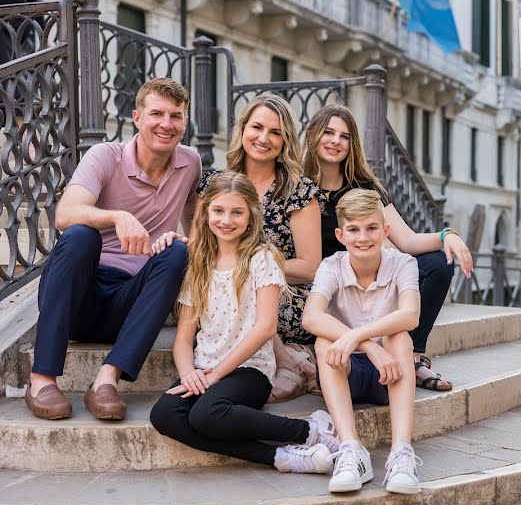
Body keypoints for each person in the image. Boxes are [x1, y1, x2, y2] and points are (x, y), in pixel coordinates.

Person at [26, 78, 199, 421]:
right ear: (137, 117)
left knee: (178, 254)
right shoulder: (106, 156)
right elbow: (64, 214)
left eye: (176, 116)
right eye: (157, 113)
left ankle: (107, 379)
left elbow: (196, 228)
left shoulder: (190, 163)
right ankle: (41, 378)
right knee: (81, 235)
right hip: (78, 298)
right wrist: (118, 217)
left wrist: (179, 240)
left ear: (184, 122)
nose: (167, 124)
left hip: (130, 305)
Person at [149, 172, 339, 473]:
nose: (227, 220)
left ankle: (308, 430)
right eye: (219, 211)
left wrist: (213, 376)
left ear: (251, 217)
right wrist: (188, 373)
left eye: (237, 212)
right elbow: (184, 336)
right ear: (206, 212)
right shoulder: (198, 262)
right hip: (203, 366)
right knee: (164, 415)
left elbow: (265, 327)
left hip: (250, 371)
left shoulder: (261, 258)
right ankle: (281, 457)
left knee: (206, 416)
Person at [301, 104, 473, 392]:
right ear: (313, 135)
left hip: (365, 279)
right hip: (321, 285)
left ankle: (413, 358)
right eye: (328, 132)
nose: (335, 141)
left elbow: (406, 241)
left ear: (352, 143)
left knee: (437, 263)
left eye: (344, 136)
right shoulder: (296, 185)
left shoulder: (365, 187)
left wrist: (447, 235)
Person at [184, 94, 324, 403]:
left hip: (285, 294)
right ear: (242, 129)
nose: (264, 138)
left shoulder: (298, 191)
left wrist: (249, 267)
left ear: (286, 140)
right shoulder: (214, 183)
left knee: (244, 294)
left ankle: (288, 364)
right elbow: (198, 248)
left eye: (275, 132)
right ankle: (293, 360)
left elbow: (310, 266)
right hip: (224, 290)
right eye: (257, 127)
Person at [302, 188, 422, 493]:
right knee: (323, 342)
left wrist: (356, 335)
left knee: (400, 338)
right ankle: (351, 449)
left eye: (371, 228)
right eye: (353, 230)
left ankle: (401, 454)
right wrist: (368, 346)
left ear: (386, 231)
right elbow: (311, 317)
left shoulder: (403, 263)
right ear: (341, 236)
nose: (363, 238)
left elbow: (411, 315)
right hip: (347, 370)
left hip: (389, 374)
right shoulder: (332, 266)